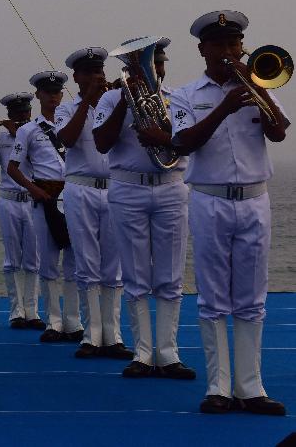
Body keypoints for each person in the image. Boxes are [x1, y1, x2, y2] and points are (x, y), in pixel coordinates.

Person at [170, 11, 289, 415]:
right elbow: (183, 142)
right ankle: (218, 387)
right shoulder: (186, 94)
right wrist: (222, 108)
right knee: (214, 297)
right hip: (210, 199)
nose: (228, 51)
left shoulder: (258, 83)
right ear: (202, 50)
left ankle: (251, 387)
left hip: (255, 199)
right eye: (219, 45)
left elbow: (279, 131)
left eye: (234, 44)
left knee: (252, 298)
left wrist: (255, 88)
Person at [94, 38, 194, 380]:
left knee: (170, 276)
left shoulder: (178, 98)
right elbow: (101, 142)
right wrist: (124, 102)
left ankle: (168, 353)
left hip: (170, 186)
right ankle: (142, 352)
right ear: (128, 69)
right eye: (146, 65)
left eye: (158, 64)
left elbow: (186, 141)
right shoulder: (111, 98)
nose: (155, 71)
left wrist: (160, 128)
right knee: (135, 276)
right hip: (128, 188)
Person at [57, 48, 130, 361]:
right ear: (76, 77)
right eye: (87, 73)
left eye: (98, 71)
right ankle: (91, 335)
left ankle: (112, 336)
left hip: (113, 187)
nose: (94, 77)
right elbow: (66, 139)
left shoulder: (116, 103)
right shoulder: (66, 109)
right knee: (87, 265)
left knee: (113, 267)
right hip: (80, 187)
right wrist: (87, 101)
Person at [8, 72, 81, 344]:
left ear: (62, 94)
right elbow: (12, 167)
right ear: (38, 95)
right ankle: (54, 321)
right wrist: (33, 189)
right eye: (47, 92)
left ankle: (73, 321)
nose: (53, 96)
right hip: (45, 197)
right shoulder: (28, 130)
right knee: (48, 262)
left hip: (72, 195)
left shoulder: (73, 124)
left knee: (74, 262)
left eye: (57, 92)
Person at [0, 93, 42, 329]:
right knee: (12, 260)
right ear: (9, 114)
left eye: (25, 112)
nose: (22, 116)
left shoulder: (39, 134)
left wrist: (18, 133)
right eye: (17, 114)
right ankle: (16, 311)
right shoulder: (1, 138)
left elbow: (39, 164)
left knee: (33, 259)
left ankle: (32, 311)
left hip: (32, 200)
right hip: (9, 200)